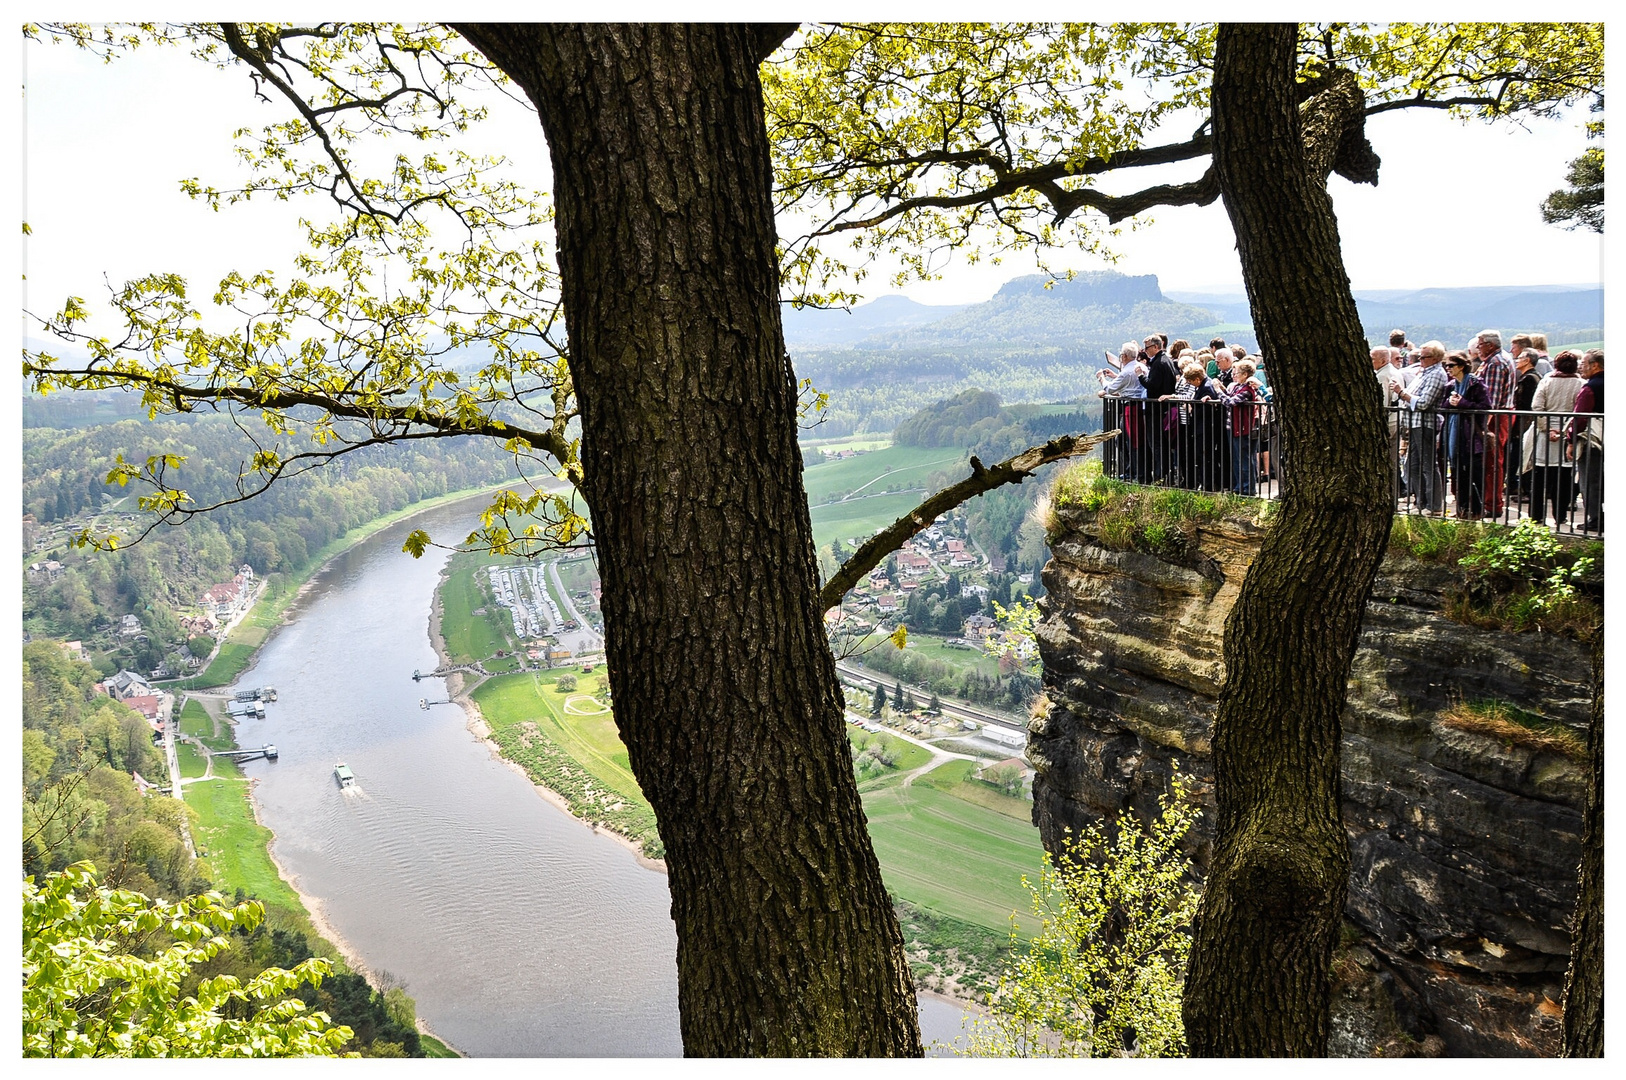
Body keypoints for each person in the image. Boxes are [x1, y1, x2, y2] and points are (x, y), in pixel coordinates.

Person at [1530, 351, 1584, 528]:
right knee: (1564, 477)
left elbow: (1537, 406)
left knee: (1540, 477)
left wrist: (1547, 428)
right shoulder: (1581, 384)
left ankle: (1536, 516)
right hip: (1568, 434)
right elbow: (1579, 411)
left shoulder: (1546, 381)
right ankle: (1560, 516)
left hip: (1546, 435)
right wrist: (1566, 430)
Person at [1397, 341, 1449, 512]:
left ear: (1434, 358)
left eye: (1423, 357)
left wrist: (1402, 393)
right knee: (1412, 465)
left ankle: (1433, 505)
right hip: (1414, 424)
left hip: (1424, 424)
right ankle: (1421, 502)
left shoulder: (1436, 374)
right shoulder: (1424, 372)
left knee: (1428, 465)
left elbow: (1424, 402)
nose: (1420, 359)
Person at [1440, 353, 1492, 518]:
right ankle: (1462, 510)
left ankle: (1477, 510)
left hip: (1471, 435)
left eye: (1451, 366)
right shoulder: (1450, 386)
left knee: (1474, 474)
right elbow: (1443, 406)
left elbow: (1485, 407)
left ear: (1461, 366)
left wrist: (1463, 403)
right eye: (1446, 366)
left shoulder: (1476, 384)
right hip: (1454, 435)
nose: (1448, 369)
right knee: (1459, 475)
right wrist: (1451, 403)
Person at [1473, 330, 1514, 517]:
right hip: (1500, 417)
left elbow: (1492, 399)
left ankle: (1493, 504)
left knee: (1492, 461)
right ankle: (1490, 502)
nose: (1478, 348)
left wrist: (1483, 427)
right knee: (1492, 461)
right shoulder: (1499, 359)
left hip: (1495, 420)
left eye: (1480, 344)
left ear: (1489, 345)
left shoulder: (1496, 363)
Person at [1565, 349, 1604, 533]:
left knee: (1590, 479)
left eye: (1584, 364)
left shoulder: (1590, 388)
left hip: (1593, 440)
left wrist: (1571, 440)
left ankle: (1596, 519)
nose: (1581, 367)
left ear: (1595, 365)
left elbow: (1579, 417)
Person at [1098, 340, 1147, 481]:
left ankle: (1134, 473)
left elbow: (1110, 388)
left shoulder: (1126, 372)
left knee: (1132, 441)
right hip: (1139, 407)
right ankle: (1133, 471)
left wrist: (1101, 379)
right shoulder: (1141, 367)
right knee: (1130, 440)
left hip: (1130, 409)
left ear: (1124, 356)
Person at [1139, 334, 1180, 482]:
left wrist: (1140, 376)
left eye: (1147, 347)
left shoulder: (1158, 363)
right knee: (1160, 444)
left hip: (1156, 410)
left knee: (1156, 444)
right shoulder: (1165, 360)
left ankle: (1160, 476)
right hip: (1162, 409)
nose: (1145, 351)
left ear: (1156, 347)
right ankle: (1163, 474)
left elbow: (1152, 385)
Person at [1507, 350, 1542, 504]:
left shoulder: (1529, 379)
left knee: (1523, 455)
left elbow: (1526, 404)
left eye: (1520, 358)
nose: (1516, 360)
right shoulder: (1532, 377)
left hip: (1524, 424)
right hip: (1524, 423)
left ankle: (1526, 490)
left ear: (1527, 360)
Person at [1222, 359, 1262, 495]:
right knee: (1236, 459)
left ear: (1245, 374)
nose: (1234, 375)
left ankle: (1248, 488)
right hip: (1232, 427)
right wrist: (1221, 389)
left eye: (1237, 372)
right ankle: (1239, 486)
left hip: (1242, 428)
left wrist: (1218, 391)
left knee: (1245, 459)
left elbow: (1230, 402)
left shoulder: (1247, 389)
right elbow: (1228, 396)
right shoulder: (1237, 387)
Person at [1374, 346, 1404, 494]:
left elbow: (1383, 401)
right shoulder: (1396, 372)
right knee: (1392, 461)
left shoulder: (1382, 376)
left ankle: (1387, 495)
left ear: (1383, 360)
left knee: (1386, 462)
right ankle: (1393, 496)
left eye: (1373, 359)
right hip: (1396, 419)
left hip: (1387, 422)